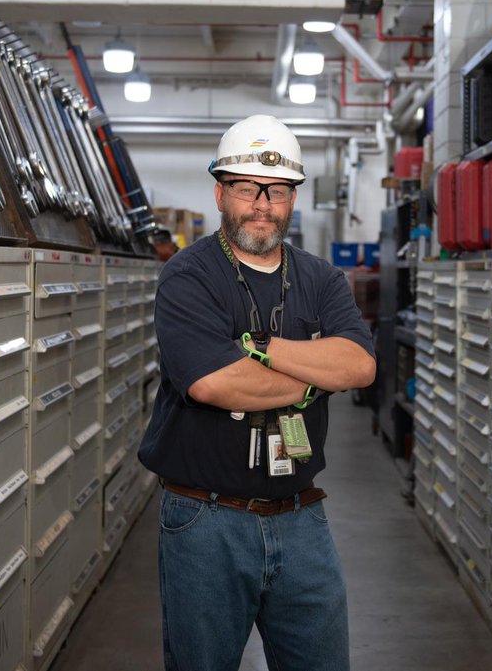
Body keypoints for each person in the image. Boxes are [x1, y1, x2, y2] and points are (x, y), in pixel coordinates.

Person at [139, 114, 377, 671]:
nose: (262, 204)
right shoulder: (188, 275)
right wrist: (314, 374)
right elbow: (215, 382)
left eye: (277, 191)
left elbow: (360, 366)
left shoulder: (320, 278)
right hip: (206, 520)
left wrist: (261, 348)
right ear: (221, 192)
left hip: (301, 517)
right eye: (247, 188)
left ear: (293, 198)